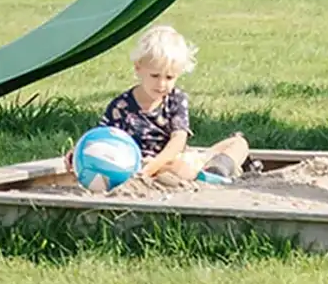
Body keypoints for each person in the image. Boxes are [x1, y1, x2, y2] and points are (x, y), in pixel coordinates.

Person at [95, 25, 247, 188]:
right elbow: (100, 138)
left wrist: (156, 164)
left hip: (170, 157)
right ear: (138, 68)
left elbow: (178, 140)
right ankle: (210, 174)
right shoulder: (121, 106)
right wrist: (77, 153)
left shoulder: (175, 98)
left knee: (239, 143)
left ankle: (218, 169)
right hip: (139, 164)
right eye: (155, 76)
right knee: (178, 170)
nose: (161, 84)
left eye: (169, 77)